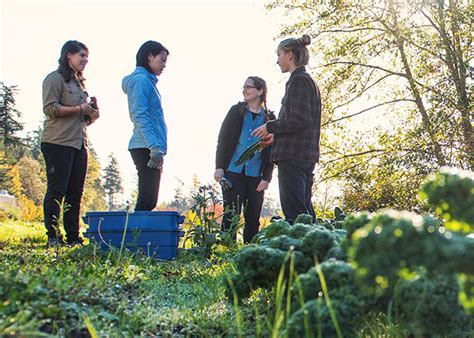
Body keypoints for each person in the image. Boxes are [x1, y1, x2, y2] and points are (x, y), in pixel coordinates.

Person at [253, 34, 322, 224]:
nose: (277, 60)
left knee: (296, 214)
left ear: (290, 55)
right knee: (304, 211)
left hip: (294, 156)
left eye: (279, 55)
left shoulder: (299, 80)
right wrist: (276, 136)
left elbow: (299, 118)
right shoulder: (305, 81)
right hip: (302, 153)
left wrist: (270, 126)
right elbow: (301, 122)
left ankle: (304, 250)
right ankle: (314, 249)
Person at [41, 40, 100, 246]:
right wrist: (80, 109)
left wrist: (92, 114)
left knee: (76, 193)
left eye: (87, 56)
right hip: (57, 142)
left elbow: (83, 119)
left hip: (79, 143)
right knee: (57, 190)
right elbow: (50, 109)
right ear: (68, 56)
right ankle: (53, 236)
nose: (85, 60)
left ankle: (73, 237)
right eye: (81, 56)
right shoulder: (54, 79)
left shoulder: (79, 84)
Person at [215, 76, 275, 243]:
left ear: (260, 91)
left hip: (256, 175)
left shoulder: (270, 119)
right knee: (231, 214)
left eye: (249, 87)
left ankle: (250, 251)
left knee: (253, 216)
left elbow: (271, 151)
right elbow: (223, 139)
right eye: (244, 87)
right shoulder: (236, 111)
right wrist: (219, 167)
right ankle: (226, 251)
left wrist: (267, 178)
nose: (245, 90)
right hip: (233, 171)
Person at [122, 40, 169, 211]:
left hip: (150, 145)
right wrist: (154, 146)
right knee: (147, 199)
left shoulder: (148, 82)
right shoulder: (141, 80)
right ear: (149, 56)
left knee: (149, 199)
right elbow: (140, 114)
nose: (164, 65)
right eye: (162, 60)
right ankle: (136, 235)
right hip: (145, 145)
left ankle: (139, 235)